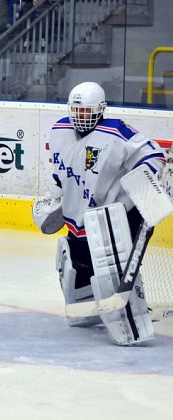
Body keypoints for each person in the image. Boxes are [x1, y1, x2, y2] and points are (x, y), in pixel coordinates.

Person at [33, 81, 166, 345]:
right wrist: (54, 194)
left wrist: (141, 183)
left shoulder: (117, 132)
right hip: (76, 217)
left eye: (87, 111)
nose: (81, 116)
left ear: (101, 109)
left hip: (110, 219)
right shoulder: (59, 129)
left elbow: (154, 156)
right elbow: (60, 172)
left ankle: (130, 321)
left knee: (111, 269)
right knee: (74, 263)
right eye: (77, 110)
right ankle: (86, 308)